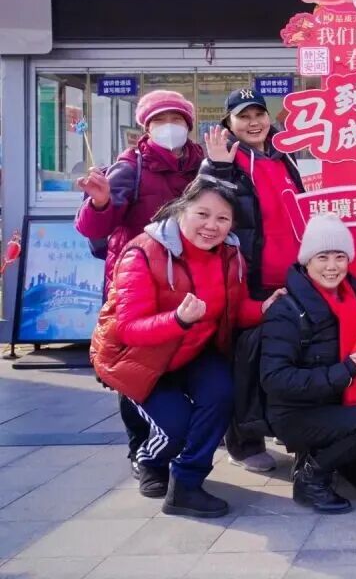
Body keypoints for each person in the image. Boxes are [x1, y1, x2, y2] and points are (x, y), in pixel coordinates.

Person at [88, 178, 281, 517]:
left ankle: (187, 483)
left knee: (222, 395)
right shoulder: (142, 252)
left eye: (222, 219)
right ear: (182, 210)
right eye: (202, 214)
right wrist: (177, 319)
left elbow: (233, 310)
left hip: (192, 351)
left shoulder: (231, 254)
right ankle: (149, 460)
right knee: (176, 428)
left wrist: (263, 309)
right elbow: (128, 329)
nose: (211, 226)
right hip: (137, 359)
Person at [75, 90, 205, 477]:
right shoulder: (129, 167)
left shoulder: (202, 164)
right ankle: (142, 452)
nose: (170, 127)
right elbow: (93, 227)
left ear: (189, 125)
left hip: (189, 283)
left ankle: (173, 443)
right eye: (160, 120)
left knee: (180, 362)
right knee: (134, 367)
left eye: (177, 119)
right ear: (146, 127)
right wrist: (100, 203)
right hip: (138, 283)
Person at [260, 213, 356, 513]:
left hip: (340, 408)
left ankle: (325, 452)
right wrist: (345, 371)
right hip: (296, 414)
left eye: (340, 256)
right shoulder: (286, 309)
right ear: (307, 261)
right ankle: (310, 477)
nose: (332, 266)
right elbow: (275, 379)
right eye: (322, 257)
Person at [200, 87, 304, 473]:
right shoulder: (223, 158)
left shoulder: (282, 155)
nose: (254, 122)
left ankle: (274, 426)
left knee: (277, 359)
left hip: (288, 278)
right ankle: (242, 443)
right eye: (243, 116)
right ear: (229, 123)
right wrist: (218, 169)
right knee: (243, 362)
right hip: (247, 279)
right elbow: (203, 210)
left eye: (259, 114)